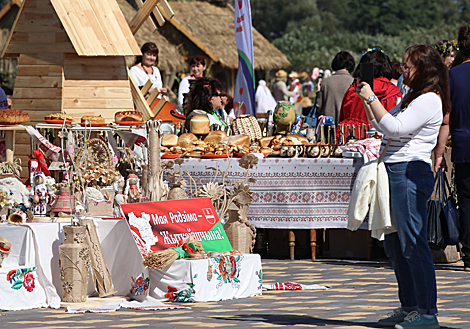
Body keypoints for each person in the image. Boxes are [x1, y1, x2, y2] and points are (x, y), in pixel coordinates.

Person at [356, 44, 449, 329]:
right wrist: (368, 101)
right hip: (396, 170)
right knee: (395, 244)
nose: (403, 70)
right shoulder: (412, 97)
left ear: (424, 70)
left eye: (408, 66)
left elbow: (396, 129)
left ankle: (426, 312)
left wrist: (372, 96)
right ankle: (410, 306)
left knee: (412, 242)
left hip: (411, 172)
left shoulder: (430, 99)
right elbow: (385, 125)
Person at [434, 24, 470, 273]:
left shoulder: (452, 75)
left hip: (462, 143)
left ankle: (469, 254)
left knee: (466, 201)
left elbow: (445, 118)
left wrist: (438, 153)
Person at [338, 48, 401, 137]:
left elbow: (343, 116)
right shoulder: (392, 91)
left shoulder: (354, 88)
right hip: (377, 138)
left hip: (349, 136)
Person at [316, 51, 355, 126]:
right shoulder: (354, 82)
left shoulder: (326, 82)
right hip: (348, 128)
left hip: (329, 128)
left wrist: (318, 92)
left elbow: (319, 107)